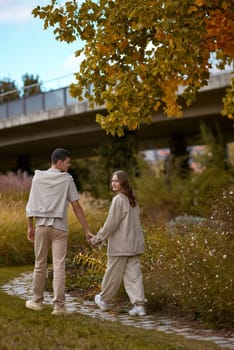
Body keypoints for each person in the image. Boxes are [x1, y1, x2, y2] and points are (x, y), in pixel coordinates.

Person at [25, 148, 93, 315]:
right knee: (59, 266)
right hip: (59, 228)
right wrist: (87, 229)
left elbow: (31, 204)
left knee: (39, 265)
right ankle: (59, 306)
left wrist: (30, 226)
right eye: (68, 162)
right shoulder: (66, 179)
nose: (69, 166)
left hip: (41, 227)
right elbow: (76, 206)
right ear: (60, 162)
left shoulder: (38, 177)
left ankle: (36, 301)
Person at [90, 170, 147, 316]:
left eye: (116, 181)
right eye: (112, 181)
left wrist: (97, 238)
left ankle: (103, 299)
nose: (113, 183)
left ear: (123, 182)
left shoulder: (119, 199)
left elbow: (111, 224)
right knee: (134, 276)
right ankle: (139, 305)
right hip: (134, 245)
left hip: (121, 246)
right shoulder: (132, 199)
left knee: (113, 275)